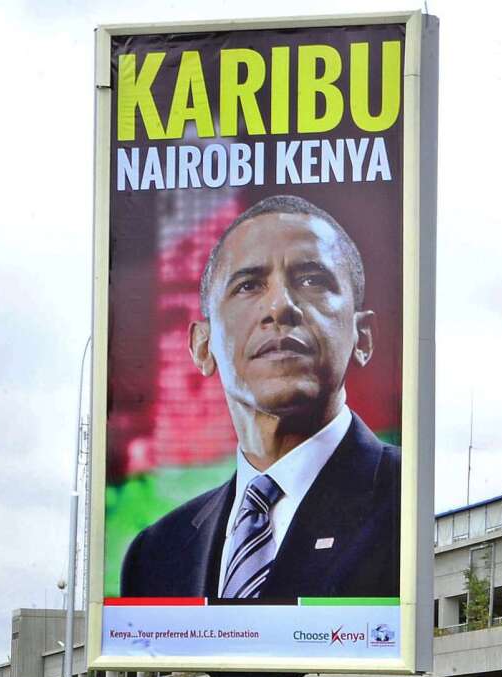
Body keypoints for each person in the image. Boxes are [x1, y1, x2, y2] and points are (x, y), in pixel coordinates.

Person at [120, 194, 399, 602]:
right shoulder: (156, 553)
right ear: (202, 345)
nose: (280, 306)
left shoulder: (405, 506)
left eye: (312, 280)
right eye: (249, 285)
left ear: (364, 337)